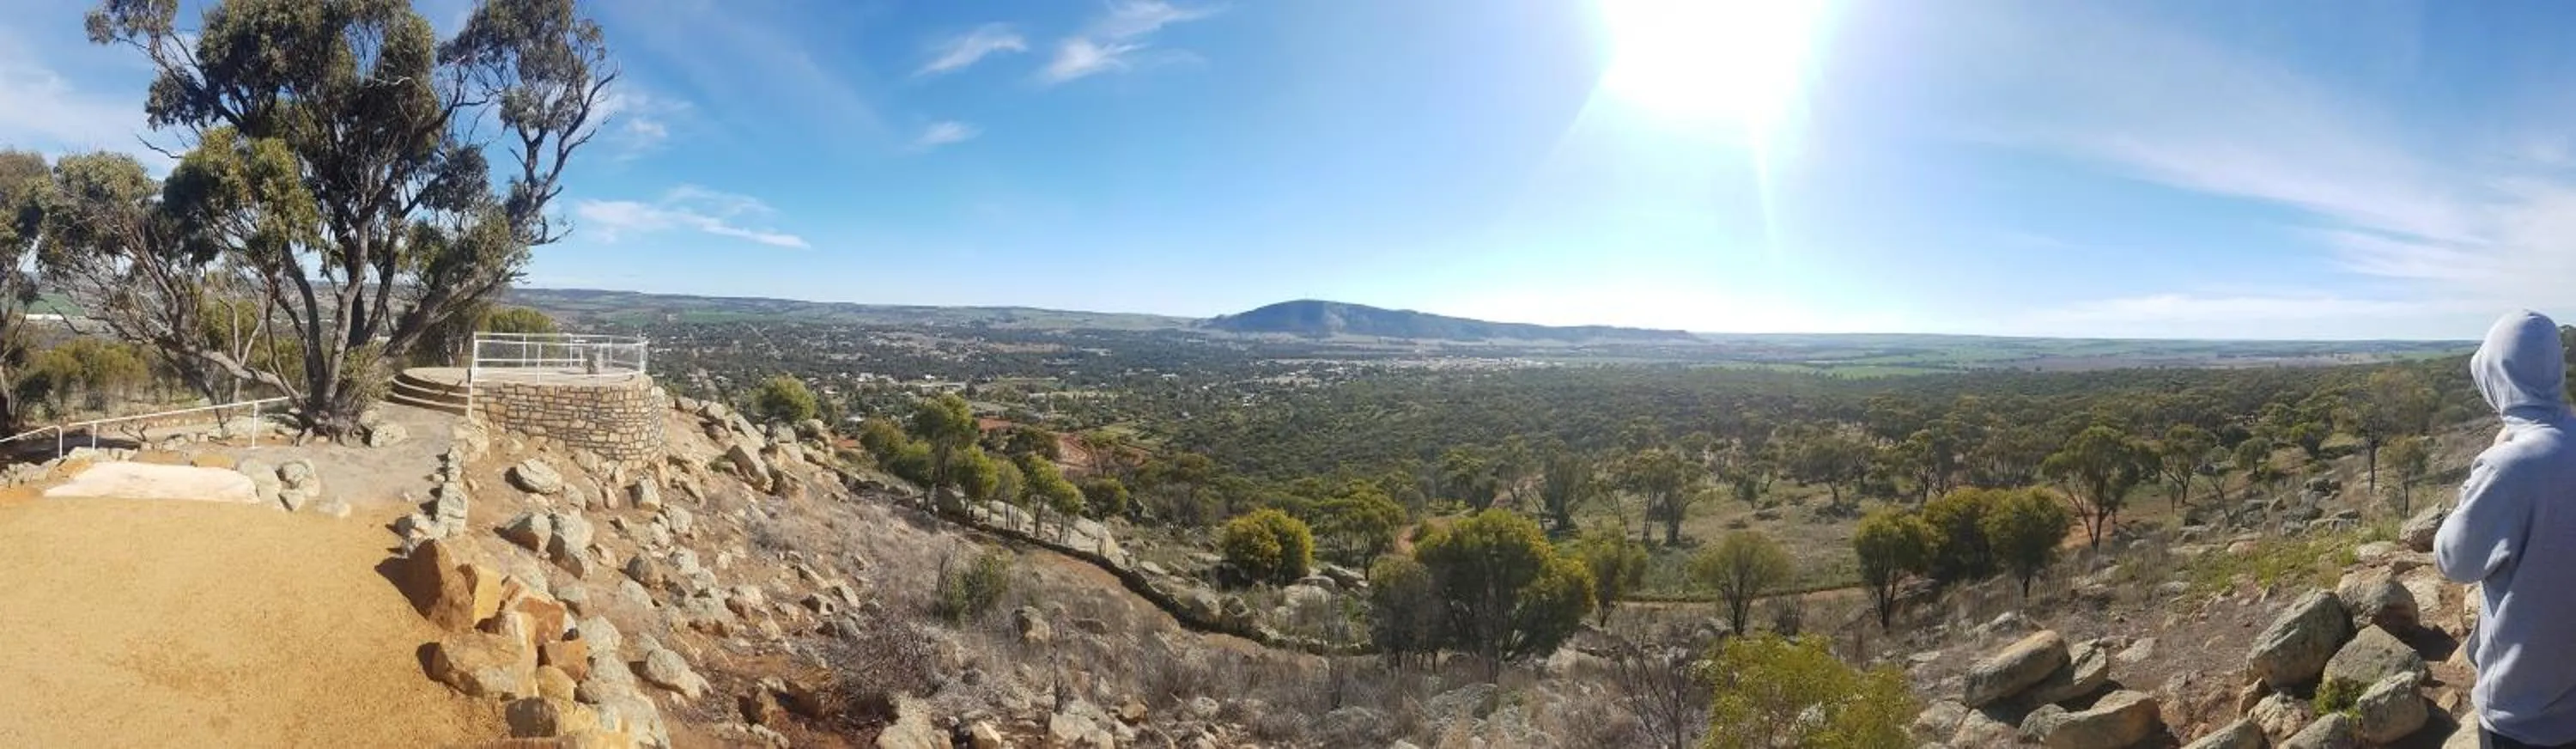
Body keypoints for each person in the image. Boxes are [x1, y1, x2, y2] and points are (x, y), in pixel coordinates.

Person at [2439, 310, 2576, 749]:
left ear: (2499, 376)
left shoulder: (2508, 467)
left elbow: (2454, 560)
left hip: (2524, 712)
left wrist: (2482, 470)